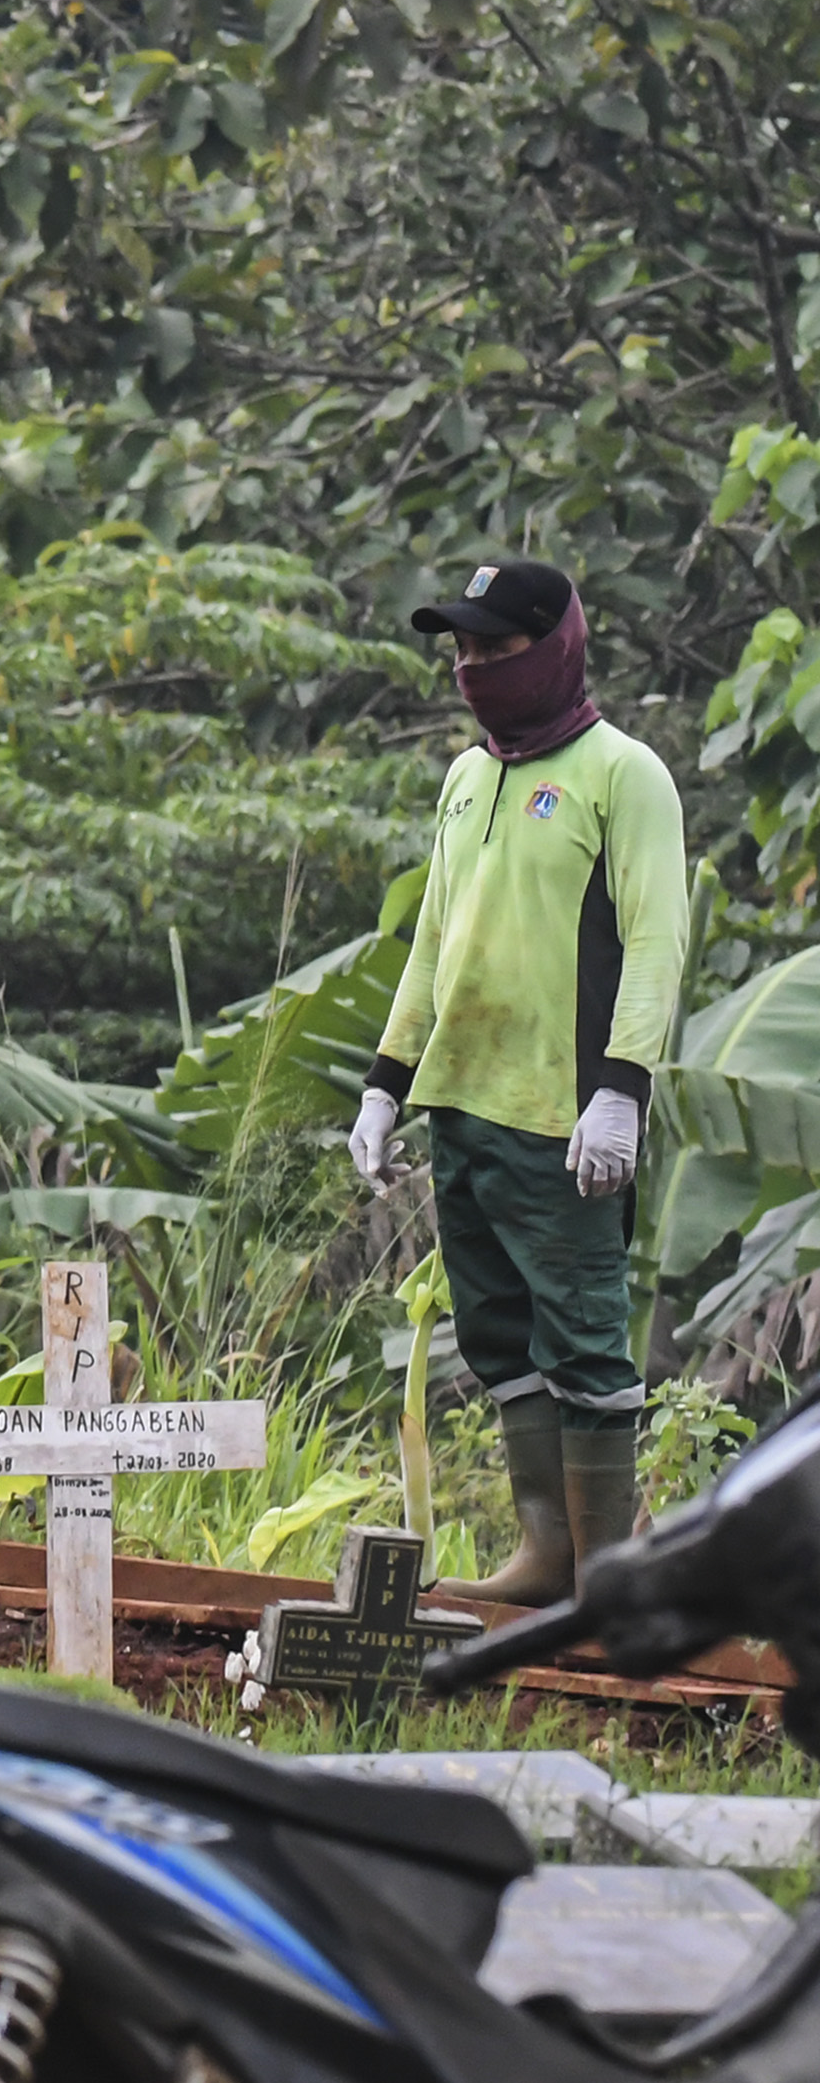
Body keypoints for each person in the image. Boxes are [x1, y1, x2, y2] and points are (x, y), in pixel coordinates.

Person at [352, 557, 688, 1602]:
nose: (472, 667)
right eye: (460, 650)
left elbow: (656, 940)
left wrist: (620, 1089)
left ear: (551, 648)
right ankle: (548, 1558)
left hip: (567, 1114)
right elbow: (432, 941)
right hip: (463, 1102)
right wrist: (385, 1080)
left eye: (494, 648)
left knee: (584, 1336)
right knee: (500, 1334)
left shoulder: (621, 774)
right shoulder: (466, 776)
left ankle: (607, 1583)